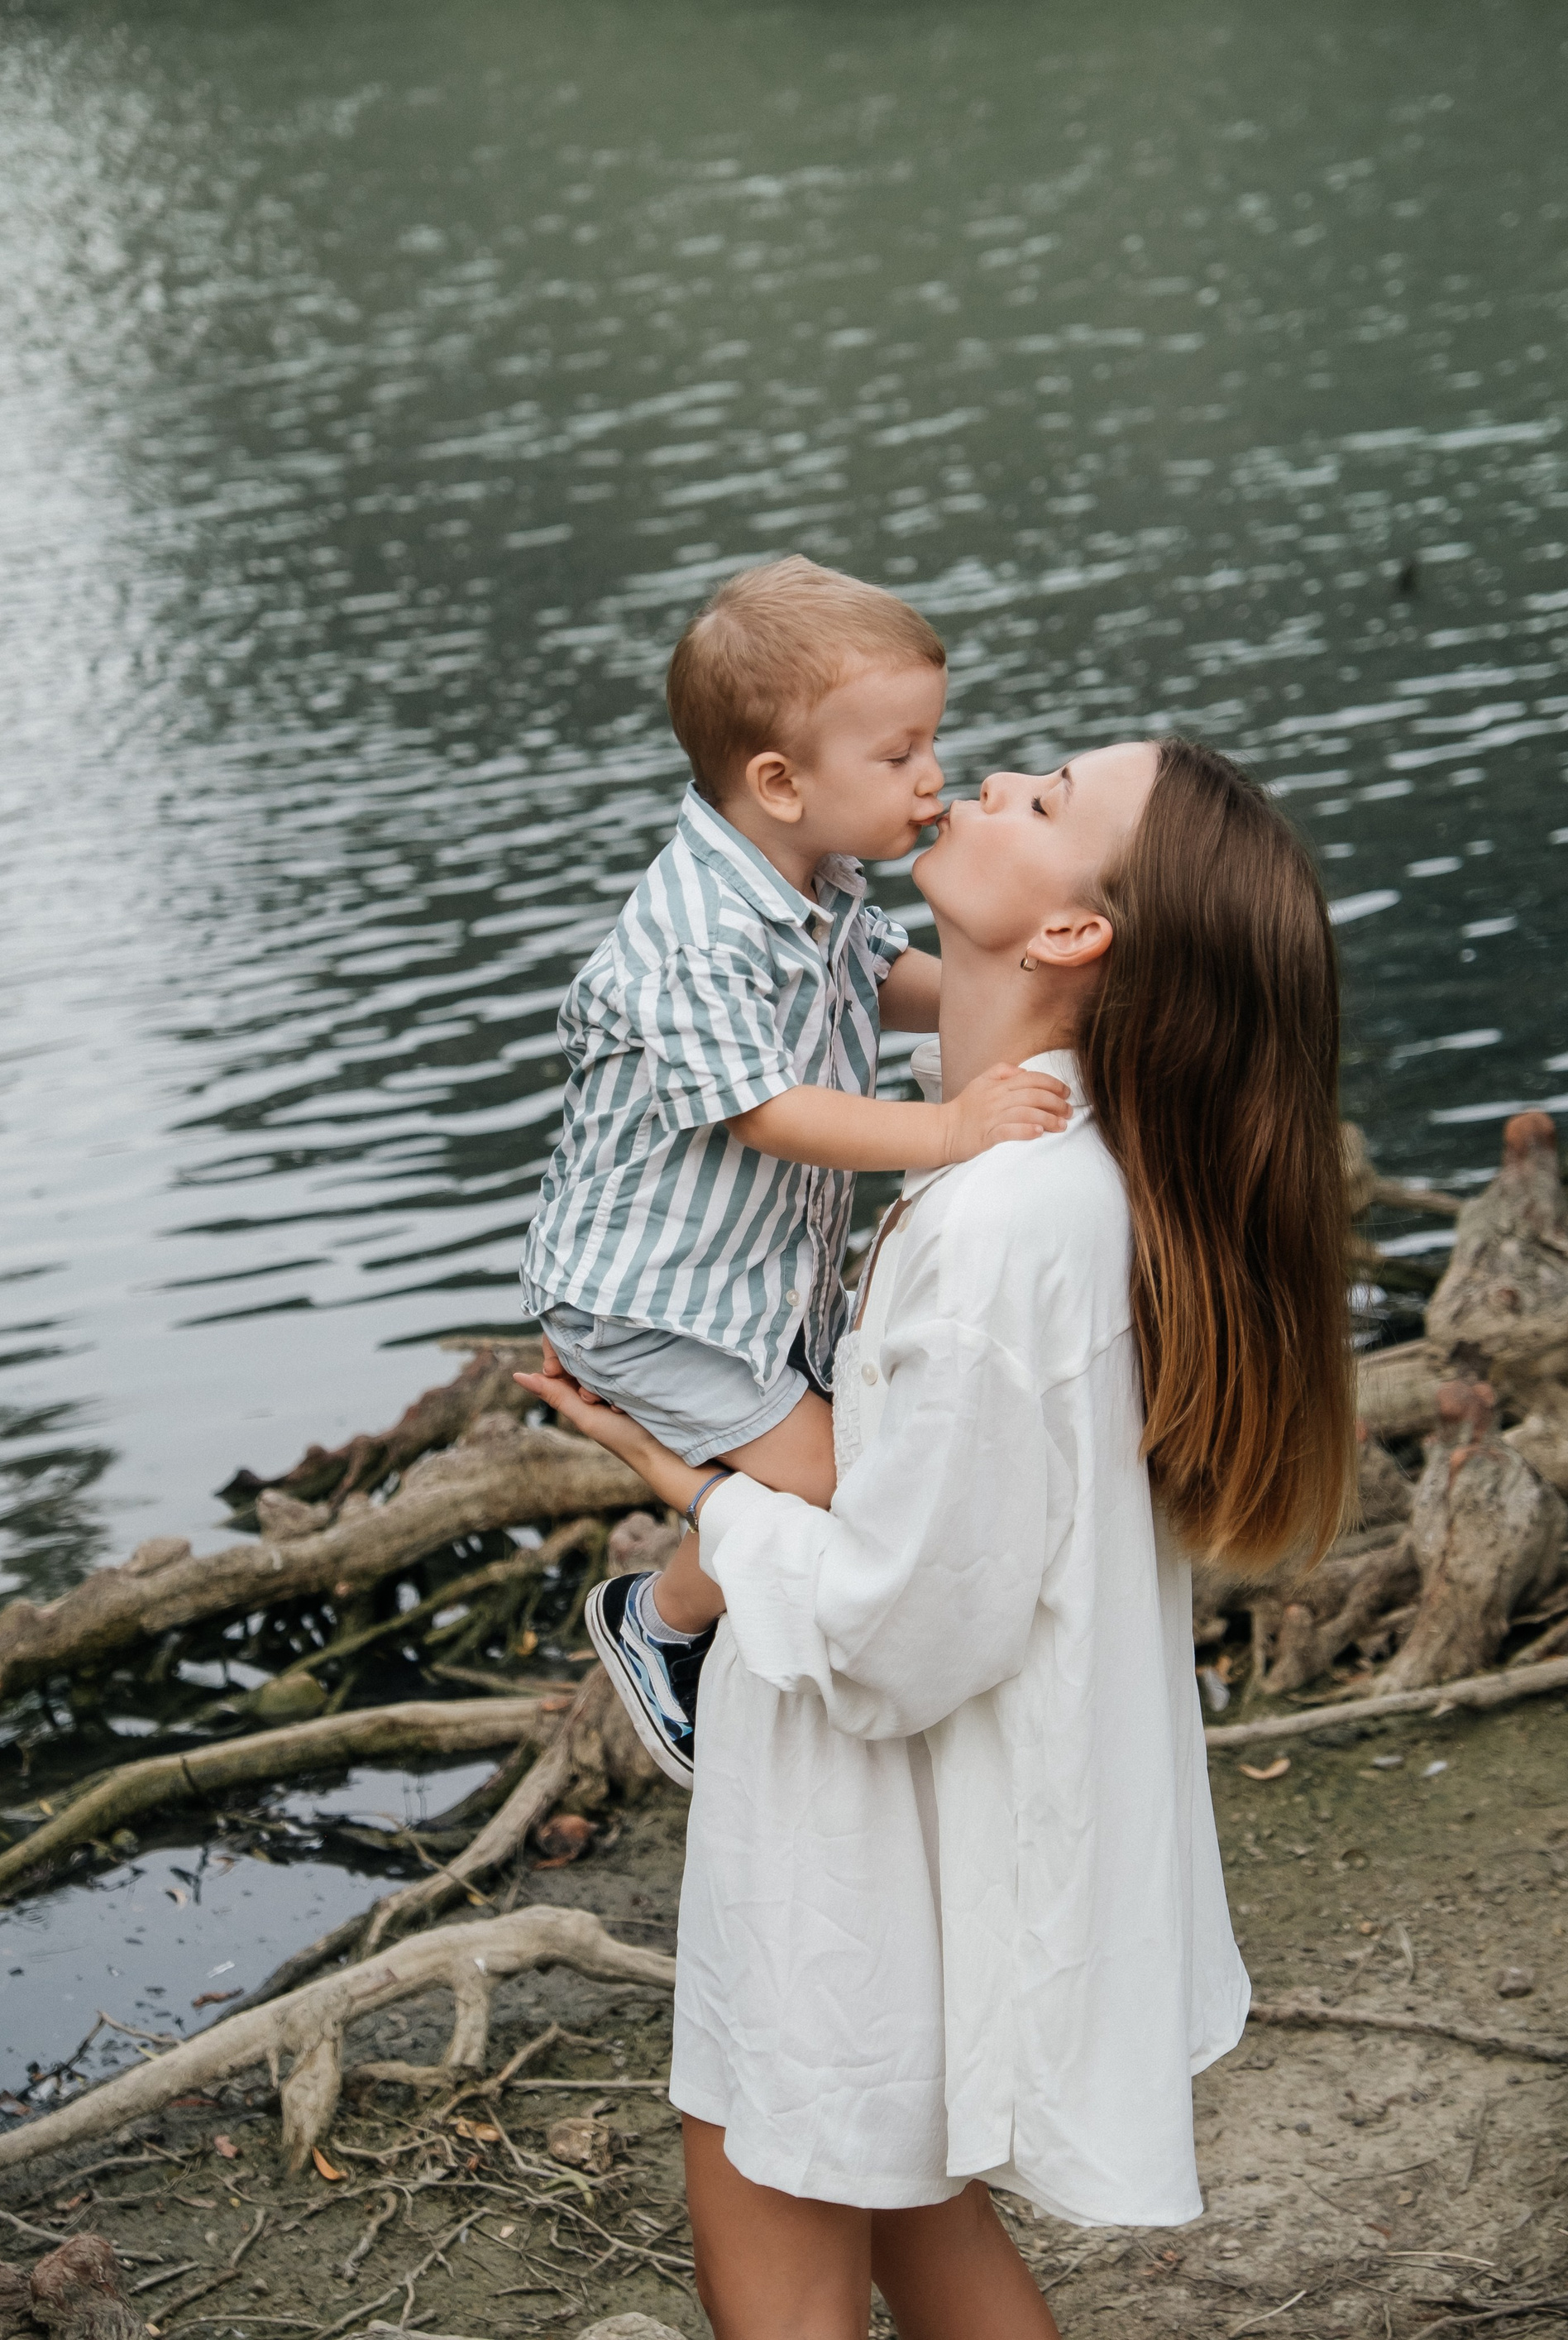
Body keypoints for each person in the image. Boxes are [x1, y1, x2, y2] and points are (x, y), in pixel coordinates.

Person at [519, 736, 1356, 2339]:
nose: (986, 783)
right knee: (927, 2229)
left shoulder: (1001, 1223)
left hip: (849, 1839)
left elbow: (904, 1627)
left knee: (784, 2213)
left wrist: (694, 1488)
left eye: (1048, 800)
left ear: (1073, 930)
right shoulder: (1029, 1166)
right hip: (908, 1840)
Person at [519, 556, 1069, 1783]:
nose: (933, 777)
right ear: (780, 782)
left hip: (748, 1291)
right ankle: (657, 1621)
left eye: (932, 741)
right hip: (652, 1304)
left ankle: (747, 1632)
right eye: (901, 754)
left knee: (850, 1456)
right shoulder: (698, 938)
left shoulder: (814, 875)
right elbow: (767, 1113)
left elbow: (883, 980)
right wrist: (954, 1130)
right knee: (838, 1480)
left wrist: (1044, 1003)